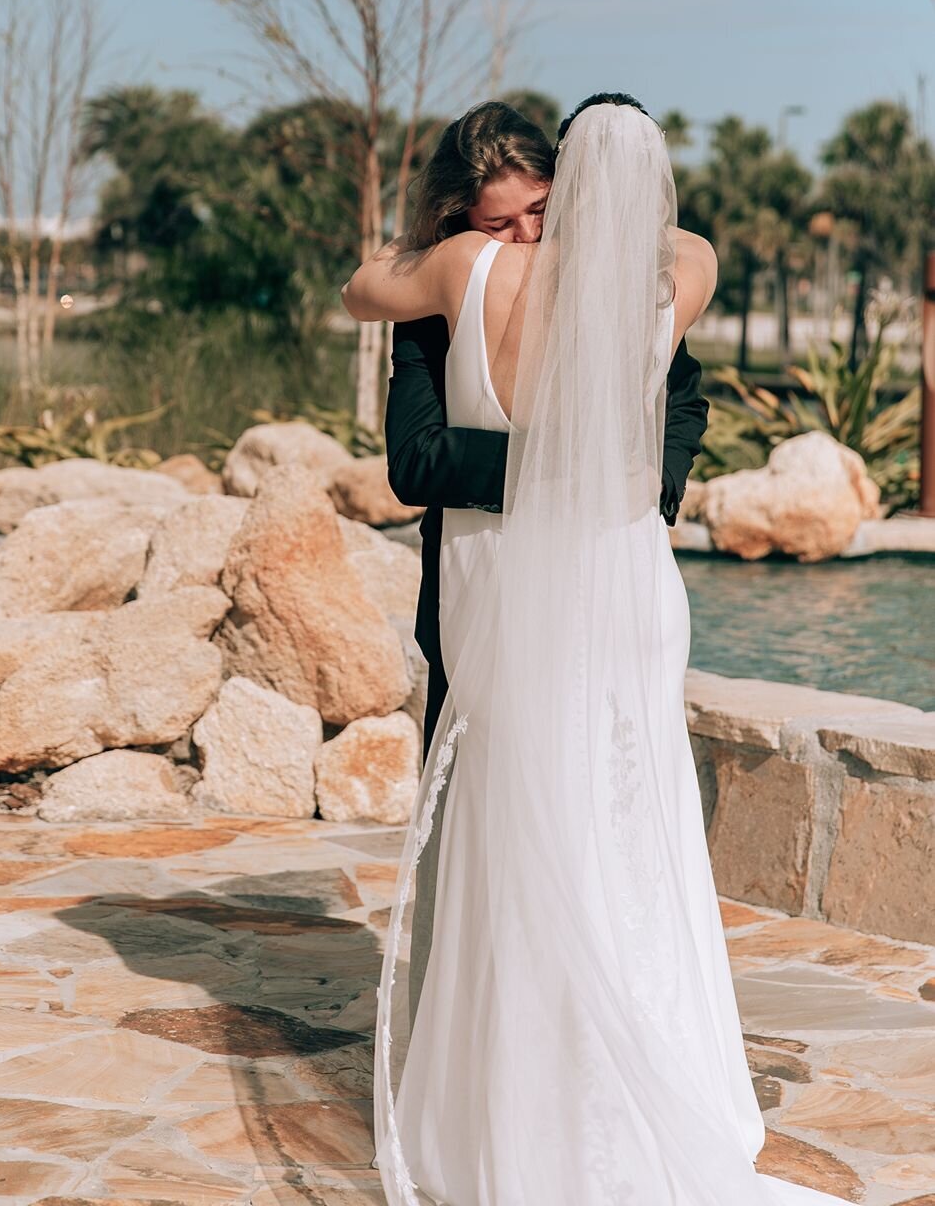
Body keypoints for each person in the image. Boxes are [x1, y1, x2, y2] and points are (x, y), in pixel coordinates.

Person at [342, 99, 847, 1205]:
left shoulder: (464, 268)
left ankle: (503, 1095)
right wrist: (598, 211)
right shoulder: (664, 279)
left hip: (513, 591)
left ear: (558, 184)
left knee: (519, 827)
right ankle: (629, 1068)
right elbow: (676, 245)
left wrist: (458, 242)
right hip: (618, 595)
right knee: (621, 828)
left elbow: (358, 289)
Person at [379, 98, 709, 760]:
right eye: (498, 223)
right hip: (476, 572)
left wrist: (654, 480)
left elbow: (680, 400)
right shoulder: (435, 296)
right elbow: (415, 460)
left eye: (539, 210)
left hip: (611, 571)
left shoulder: (624, 289)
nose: (527, 234)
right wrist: (568, 471)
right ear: (459, 220)